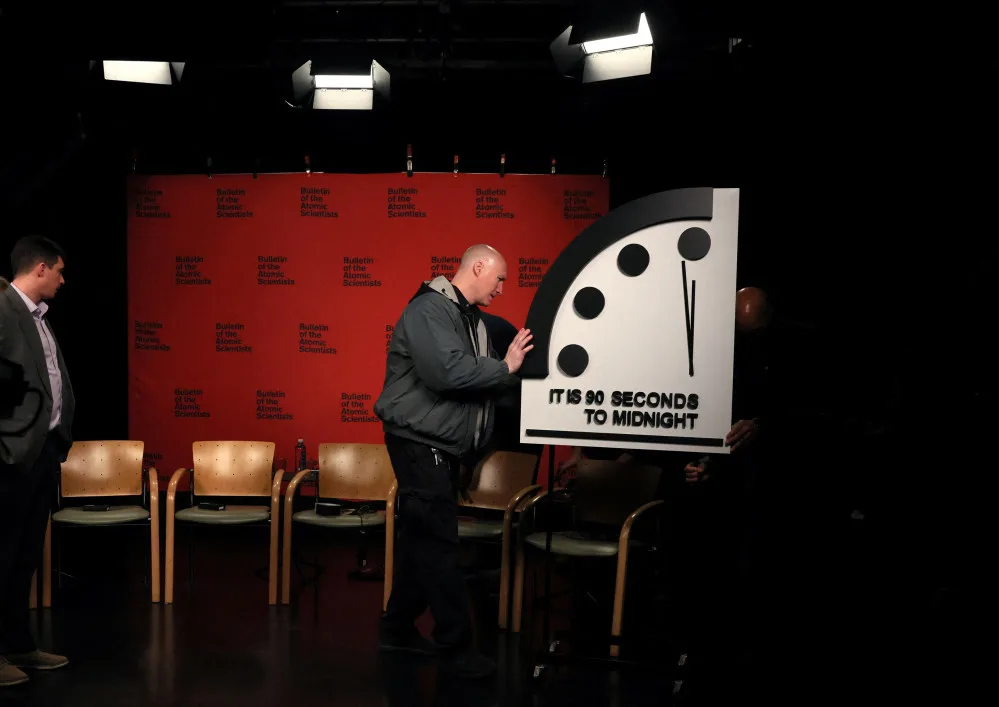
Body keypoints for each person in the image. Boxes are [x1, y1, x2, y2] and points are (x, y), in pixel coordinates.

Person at [374, 244, 533, 679]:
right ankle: (456, 646)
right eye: (499, 278)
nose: (502, 287)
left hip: (440, 445)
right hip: (418, 441)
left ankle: (396, 626)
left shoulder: (471, 321)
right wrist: (506, 366)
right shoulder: (430, 310)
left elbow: (479, 388)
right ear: (478, 267)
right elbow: (447, 373)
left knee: (420, 540)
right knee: (440, 543)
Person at [0, 236, 75, 688]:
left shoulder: (38, 317)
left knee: (25, 557)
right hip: (12, 458)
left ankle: (18, 644)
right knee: (2, 554)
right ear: (41, 269)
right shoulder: (3, 308)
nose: (64, 280)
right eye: (60, 271)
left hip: (41, 455)